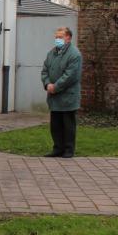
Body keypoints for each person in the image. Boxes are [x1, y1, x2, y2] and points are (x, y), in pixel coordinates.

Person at [41, 26, 82, 158]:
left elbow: (71, 75)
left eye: (60, 37)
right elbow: (45, 70)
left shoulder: (74, 54)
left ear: (68, 38)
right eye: (56, 37)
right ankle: (57, 148)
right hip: (54, 97)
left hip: (67, 96)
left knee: (68, 125)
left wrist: (56, 87)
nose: (57, 39)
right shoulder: (52, 53)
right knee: (55, 125)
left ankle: (69, 149)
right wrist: (47, 84)